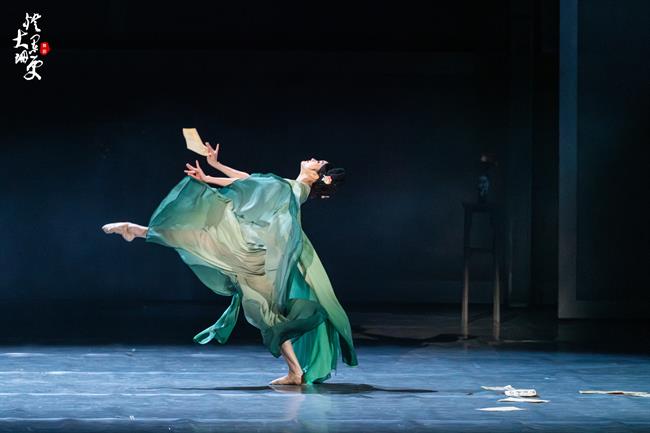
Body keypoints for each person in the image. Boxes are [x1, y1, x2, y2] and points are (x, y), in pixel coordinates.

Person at [102, 142, 357, 385]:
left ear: (321, 177)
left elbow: (250, 184)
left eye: (317, 162)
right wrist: (213, 170)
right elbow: (250, 181)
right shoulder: (288, 185)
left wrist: (211, 176)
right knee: (263, 308)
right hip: (258, 251)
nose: (312, 159)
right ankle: (295, 372)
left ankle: (137, 230)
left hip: (260, 254)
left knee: (207, 242)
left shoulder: (293, 188)